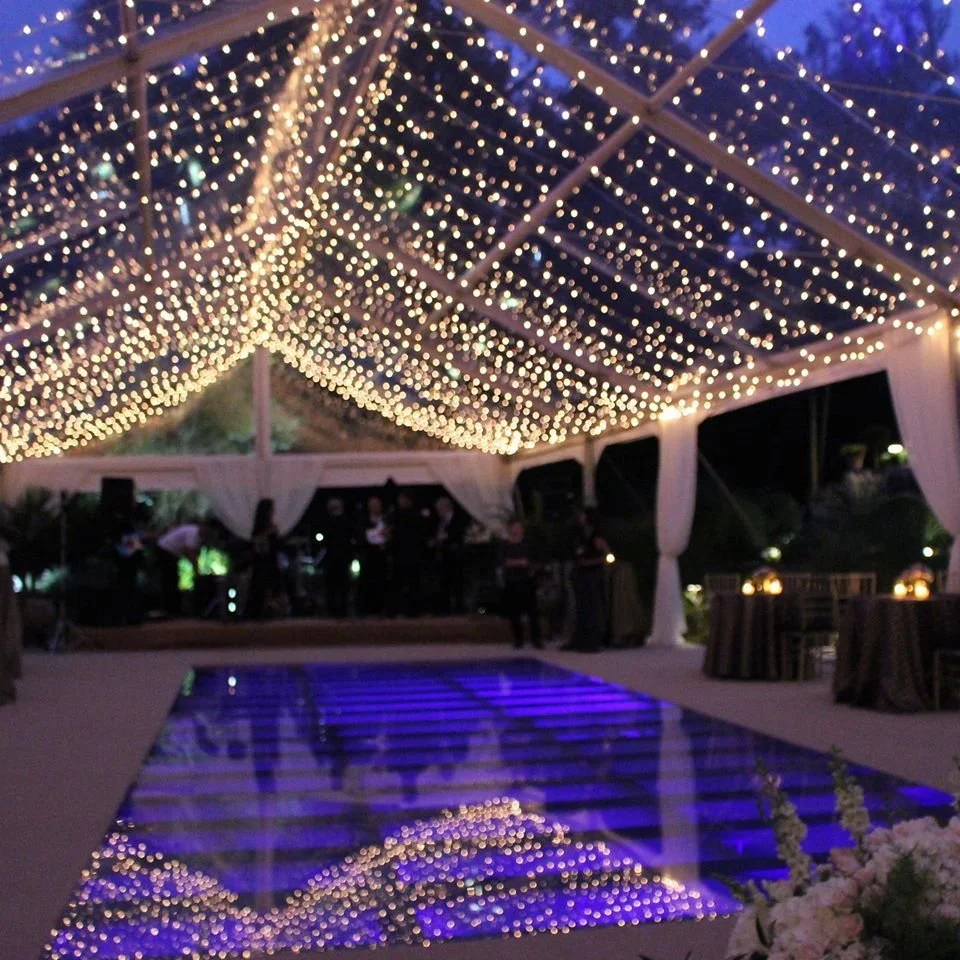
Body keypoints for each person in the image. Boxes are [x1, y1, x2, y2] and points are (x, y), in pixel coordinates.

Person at [566, 507, 611, 652]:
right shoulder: (578, 533)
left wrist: (595, 561)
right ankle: (579, 638)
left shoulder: (597, 535)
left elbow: (606, 555)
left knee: (592, 608)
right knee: (580, 608)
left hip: (592, 574)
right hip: (580, 574)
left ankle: (593, 640)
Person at [498, 519, 542, 649]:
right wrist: (520, 563)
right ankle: (518, 640)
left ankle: (536, 640)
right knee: (514, 613)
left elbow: (534, 561)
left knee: (532, 613)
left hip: (527, 581)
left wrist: (527, 565)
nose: (517, 530)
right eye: (514, 527)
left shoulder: (528, 544)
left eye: (519, 527)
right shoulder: (504, 545)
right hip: (511, 581)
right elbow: (503, 562)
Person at [155, 520, 209, 617]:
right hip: (165, 550)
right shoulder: (193, 533)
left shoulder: (195, 533)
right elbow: (190, 552)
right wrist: (196, 571)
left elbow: (188, 552)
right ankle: (170, 609)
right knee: (169, 579)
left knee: (171, 579)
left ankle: (171, 608)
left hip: (168, 551)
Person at [247, 498, 284, 619]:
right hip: (262, 563)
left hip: (270, 561)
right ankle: (258, 612)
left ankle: (270, 611)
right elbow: (257, 544)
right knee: (261, 588)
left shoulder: (270, 527)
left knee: (271, 587)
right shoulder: (261, 529)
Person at [429, 496, 466, 614]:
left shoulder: (458, 519)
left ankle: (459, 608)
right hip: (443, 557)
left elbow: (457, 536)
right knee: (444, 583)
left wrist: (446, 539)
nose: (438, 512)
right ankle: (445, 608)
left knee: (457, 583)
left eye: (440, 509)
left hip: (455, 556)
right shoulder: (440, 522)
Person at [390, 491, 424, 617]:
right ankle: (397, 609)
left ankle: (413, 610)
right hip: (399, 555)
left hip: (412, 554)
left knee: (413, 583)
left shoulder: (415, 515)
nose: (401, 502)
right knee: (398, 583)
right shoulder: (396, 515)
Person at [321, 497, 353, 618]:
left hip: (339, 558)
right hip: (335, 558)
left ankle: (338, 610)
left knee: (338, 585)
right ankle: (335, 610)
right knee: (336, 585)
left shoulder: (340, 521)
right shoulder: (334, 521)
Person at [358, 495, 389, 616]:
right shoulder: (364, 520)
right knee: (368, 582)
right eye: (372, 504)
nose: (375, 507)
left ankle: (381, 608)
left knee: (381, 582)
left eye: (377, 504)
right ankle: (367, 609)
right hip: (368, 556)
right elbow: (363, 536)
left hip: (382, 555)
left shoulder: (386, 520)